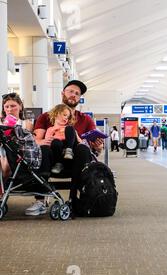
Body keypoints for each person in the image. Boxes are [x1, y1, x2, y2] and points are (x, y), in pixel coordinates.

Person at [32, 80, 104, 216]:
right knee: (44, 149)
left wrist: (98, 146)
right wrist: (46, 140)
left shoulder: (85, 119)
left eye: (77, 94)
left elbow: (97, 150)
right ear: (62, 93)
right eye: (71, 91)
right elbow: (37, 140)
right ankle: (40, 201)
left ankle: (74, 199)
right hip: (53, 158)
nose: (74, 95)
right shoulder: (46, 117)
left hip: (76, 161)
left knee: (83, 149)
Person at [0, 93, 35, 180]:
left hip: (17, 151)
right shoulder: (0, 122)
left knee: (7, 160)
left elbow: (28, 142)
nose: (9, 109)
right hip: (1, 148)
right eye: (6, 107)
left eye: (13, 106)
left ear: (20, 106)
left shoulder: (26, 123)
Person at [45, 104, 82, 175]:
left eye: (68, 117)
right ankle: (59, 164)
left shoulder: (69, 129)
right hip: (58, 152)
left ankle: (69, 150)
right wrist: (55, 132)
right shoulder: (51, 129)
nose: (66, 118)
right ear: (56, 114)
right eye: (64, 115)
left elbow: (79, 141)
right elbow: (48, 142)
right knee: (56, 142)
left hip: (71, 151)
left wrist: (73, 134)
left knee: (70, 128)